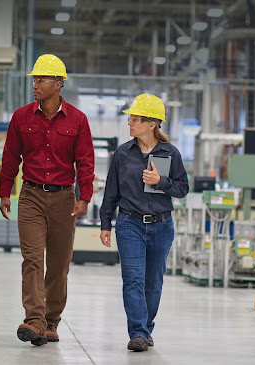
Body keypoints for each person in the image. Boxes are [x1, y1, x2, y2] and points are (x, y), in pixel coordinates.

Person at [0, 54, 94, 346]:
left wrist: (84, 196)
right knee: (31, 259)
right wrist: (5, 191)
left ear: (58, 83)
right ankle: (34, 320)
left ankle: (51, 322)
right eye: (34, 79)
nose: (35, 85)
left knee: (58, 264)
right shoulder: (21, 117)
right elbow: (11, 156)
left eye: (41, 80)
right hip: (31, 196)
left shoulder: (78, 120)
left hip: (64, 198)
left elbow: (86, 161)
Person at [99, 94, 188, 352]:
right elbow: (111, 191)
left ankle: (146, 327)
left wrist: (160, 181)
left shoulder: (171, 153)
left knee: (153, 282)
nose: (130, 123)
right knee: (133, 279)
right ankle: (137, 332)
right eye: (130, 118)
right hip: (129, 224)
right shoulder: (123, 154)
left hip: (162, 226)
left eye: (135, 119)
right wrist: (106, 223)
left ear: (152, 124)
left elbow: (183, 188)